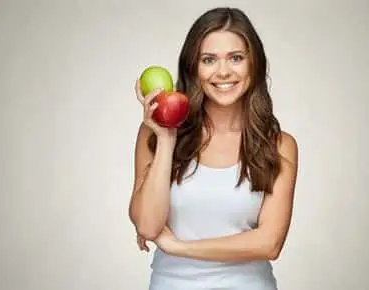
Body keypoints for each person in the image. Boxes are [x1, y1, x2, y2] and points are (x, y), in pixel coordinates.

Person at [128, 6, 299, 290]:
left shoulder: (280, 145)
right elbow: (147, 225)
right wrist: (168, 138)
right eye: (209, 59)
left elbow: (269, 243)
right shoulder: (154, 134)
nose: (223, 72)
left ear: (253, 64)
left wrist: (178, 247)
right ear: (193, 67)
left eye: (236, 58)